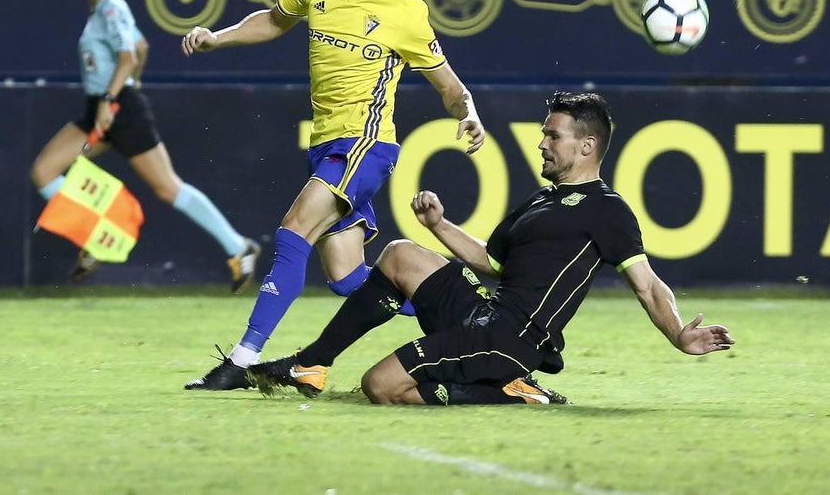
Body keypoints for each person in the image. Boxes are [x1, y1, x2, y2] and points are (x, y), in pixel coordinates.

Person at [244, 91, 735, 405]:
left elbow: (648, 286)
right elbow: (492, 263)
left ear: (586, 147)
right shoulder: (542, 200)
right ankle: (312, 362)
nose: (542, 142)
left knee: (382, 386)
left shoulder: (608, 209)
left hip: (510, 338)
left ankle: (507, 391)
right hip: (484, 311)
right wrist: (438, 226)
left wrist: (677, 333)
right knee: (398, 253)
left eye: (552, 135)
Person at [182, 0, 486, 390]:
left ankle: (239, 362)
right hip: (327, 147)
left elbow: (448, 85)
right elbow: (275, 19)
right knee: (349, 277)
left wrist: (467, 113)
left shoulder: (405, 13)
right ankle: (475, 318)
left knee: (292, 232)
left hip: (367, 146)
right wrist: (217, 38)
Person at [30, 0, 261, 290]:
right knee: (44, 172)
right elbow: (141, 47)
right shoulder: (102, 13)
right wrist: (121, 89)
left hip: (120, 108)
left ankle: (239, 247)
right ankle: (95, 238)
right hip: (102, 105)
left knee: (167, 187)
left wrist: (114, 97)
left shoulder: (111, 9)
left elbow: (126, 56)